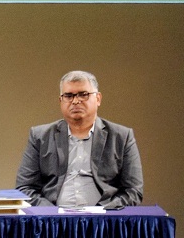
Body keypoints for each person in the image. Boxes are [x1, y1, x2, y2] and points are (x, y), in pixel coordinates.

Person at [16, 71, 144, 208]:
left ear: (98, 99)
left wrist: (103, 212)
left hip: (104, 218)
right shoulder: (40, 136)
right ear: (61, 101)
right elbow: (25, 188)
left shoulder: (122, 137)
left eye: (83, 94)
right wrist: (51, 213)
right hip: (53, 218)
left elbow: (133, 191)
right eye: (68, 96)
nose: (75, 101)